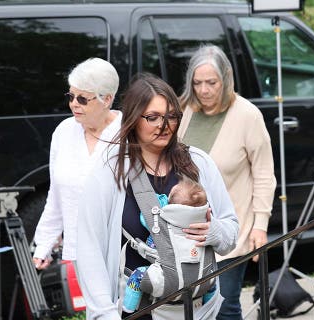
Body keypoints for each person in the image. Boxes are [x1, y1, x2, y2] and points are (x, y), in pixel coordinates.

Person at [75, 73, 239, 319]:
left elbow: (231, 232)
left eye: (172, 116)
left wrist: (215, 231)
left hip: (199, 310)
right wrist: (104, 313)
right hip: (139, 309)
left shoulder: (199, 163)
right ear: (132, 118)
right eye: (153, 118)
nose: (164, 126)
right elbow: (89, 249)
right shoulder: (109, 172)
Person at [177, 45, 276, 320]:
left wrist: (260, 225)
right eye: (197, 83)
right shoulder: (184, 110)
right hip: (188, 231)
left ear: (226, 78)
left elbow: (265, 174)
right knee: (192, 306)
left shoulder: (247, 114)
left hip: (232, 230)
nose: (204, 90)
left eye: (212, 82)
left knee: (225, 305)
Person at [32, 57, 122, 269]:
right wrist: (44, 243)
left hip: (122, 251)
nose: (74, 103)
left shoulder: (128, 133)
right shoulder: (64, 131)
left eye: (83, 99)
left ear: (107, 99)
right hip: (78, 251)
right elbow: (56, 195)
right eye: (71, 96)